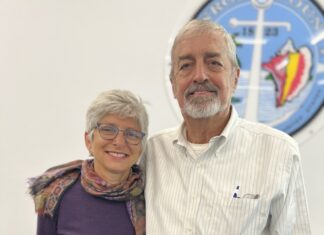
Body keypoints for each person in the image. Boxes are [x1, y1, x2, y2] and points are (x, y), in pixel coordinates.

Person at [142, 19, 311, 234]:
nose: (200, 76)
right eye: (186, 66)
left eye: (214, 63)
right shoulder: (150, 153)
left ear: (235, 78)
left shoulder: (279, 153)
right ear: (173, 84)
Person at [28, 89, 148, 235]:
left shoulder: (151, 194)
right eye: (108, 130)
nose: (120, 142)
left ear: (141, 146)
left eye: (131, 134)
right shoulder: (57, 192)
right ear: (88, 140)